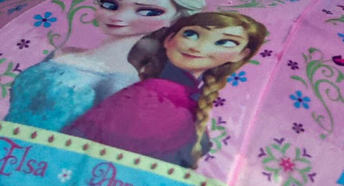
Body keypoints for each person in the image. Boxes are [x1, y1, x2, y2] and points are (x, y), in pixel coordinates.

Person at [6, 0, 206, 132]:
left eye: (148, 11)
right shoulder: (62, 53)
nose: (119, 16)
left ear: (173, 21)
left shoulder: (125, 80)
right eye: (110, 5)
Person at [67, 11, 266, 168]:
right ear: (169, 40)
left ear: (241, 54)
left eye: (225, 42)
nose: (197, 47)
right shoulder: (150, 94)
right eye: (191, 34)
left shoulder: (188, 99)